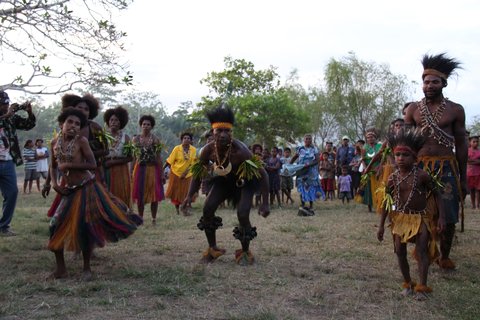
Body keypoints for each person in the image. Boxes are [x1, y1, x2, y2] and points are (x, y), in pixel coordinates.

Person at [47, 108, 142, 280]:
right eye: (70, 122)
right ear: (62, 123)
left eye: (77, 124)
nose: (73, 126)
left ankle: (86, 269)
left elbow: (92, 164)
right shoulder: (54, 143)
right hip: (68, 191)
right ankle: (61, 269)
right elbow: (53, 166)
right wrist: (54, 183)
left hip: (87, 187)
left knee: (85, 227)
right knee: (54, 226)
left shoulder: (82, 141)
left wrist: (69, 166)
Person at [182, 106, 270, 265]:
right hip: (223, 182)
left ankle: (244, 252)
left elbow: (263, 174)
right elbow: (197, 173)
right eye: (219, 131)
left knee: (243, 214)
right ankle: (212, 249)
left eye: (227, 131)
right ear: (212, 133)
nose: (223, 135)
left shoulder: (241, 151)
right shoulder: (207, 151)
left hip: (244, 183)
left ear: (231, 133)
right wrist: (189, 195)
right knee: (207, 208)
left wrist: (265, 203)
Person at [404, 53, 466, 270]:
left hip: (446, 167)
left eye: (434, 82)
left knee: (448, 215)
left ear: (444, 84)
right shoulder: (412, 110)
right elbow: (406, 144)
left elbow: (462, 144)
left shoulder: (455, 110)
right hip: (420, 166)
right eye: (426, 82)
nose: (429, 85)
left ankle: (445, 256)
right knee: (419, 211)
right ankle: (425, 250)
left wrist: (463, 177)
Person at [377, 129, 446, 301]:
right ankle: (408, 283)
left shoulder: (422, 176)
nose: (400, 158)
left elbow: (437, 195)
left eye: (405, 155)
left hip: (419, 218)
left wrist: (442, 217)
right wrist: (380, 226)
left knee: (422, 251)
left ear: (415, 158)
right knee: (399, 251)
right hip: (400, 219)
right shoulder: (392, 178)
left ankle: (422, 287)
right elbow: (387, 202)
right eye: (397, 155)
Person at [0, 91, 36, 236]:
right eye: (3, 104)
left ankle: (4, 226)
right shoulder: (7, 117)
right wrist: (6, 116)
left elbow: (28, 125)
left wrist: (29, 113)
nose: (6, 106)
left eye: (7, 103)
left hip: (8, 160)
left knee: (12, 192)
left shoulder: (12, 118)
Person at [131, 115, 165, 224]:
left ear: (152, 126)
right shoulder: (135, 139)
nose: (146, 126)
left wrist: (162, 173)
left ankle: (153, 218)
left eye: (148, 124)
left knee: (154, 195)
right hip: (140, 169)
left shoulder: (155, 140)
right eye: (144, 124)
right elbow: (133, 157)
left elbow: (159, 157)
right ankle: (140, 217)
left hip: (152, 169)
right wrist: (130, 171)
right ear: (141, 125)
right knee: (140, 195)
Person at [103, 106, 133, 208]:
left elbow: (130, 157)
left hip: (121, 171)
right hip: (105, 169)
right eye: (111, 120)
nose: (113, 122)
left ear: (121, 122)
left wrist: (113, 162)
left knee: (120, 195)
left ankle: (122, 215)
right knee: (106, 195)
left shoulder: (126, 138)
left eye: (116, 120)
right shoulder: (102, 137)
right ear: (108, 121)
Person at [290, 134, 324, 216]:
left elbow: (317, 160)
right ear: (304, 140)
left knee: (311, 188)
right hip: (301, 171)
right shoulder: (300, 149)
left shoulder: (314, 149)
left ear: (311, 140)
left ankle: (311, 205)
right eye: (306, 139)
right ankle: (303, 204)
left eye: (310, 139)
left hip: (311, 172)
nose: (308, 140)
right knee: (302, 187)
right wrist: (289, 165)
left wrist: (309, 164)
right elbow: (294, 157)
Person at [164, 132, 197, 215]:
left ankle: (185, 208)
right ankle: (177, 210)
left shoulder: (193, 150)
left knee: (187, 192)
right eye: (184, 138)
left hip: (188, 174)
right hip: (176, 174)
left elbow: (194, 163)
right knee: (176, 193)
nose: (186, 139)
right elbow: (169, 161)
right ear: (182, 140)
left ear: (191, 140)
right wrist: (162, 170)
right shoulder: (177, 148)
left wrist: (185, 173)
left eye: (188, 138)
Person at [361, 129, 383, 212]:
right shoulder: (364, 148)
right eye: (368, 137)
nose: (370, 138)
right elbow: (362, 159)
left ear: (375, 137)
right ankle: (369, 206)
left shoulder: (380, 146)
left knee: (379, 187)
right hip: (368, 170)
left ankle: (379, 205)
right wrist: (365, 168)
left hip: (378, 169)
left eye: (372, 137)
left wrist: (380, 167)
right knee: (369, 188)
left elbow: (383, 157)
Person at [467, 135, 480, 209]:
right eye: (474, 141)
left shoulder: (479, 151)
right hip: (470, 173)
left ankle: (478, 204)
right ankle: (473, 205)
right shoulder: (467, 151)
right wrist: (477, 161)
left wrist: (471, 161)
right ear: (470, 142)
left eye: (477, 141)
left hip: (478, 173)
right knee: (471, 189)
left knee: (478, 189)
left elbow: (469, 161)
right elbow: (467, 160)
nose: (476, 143)